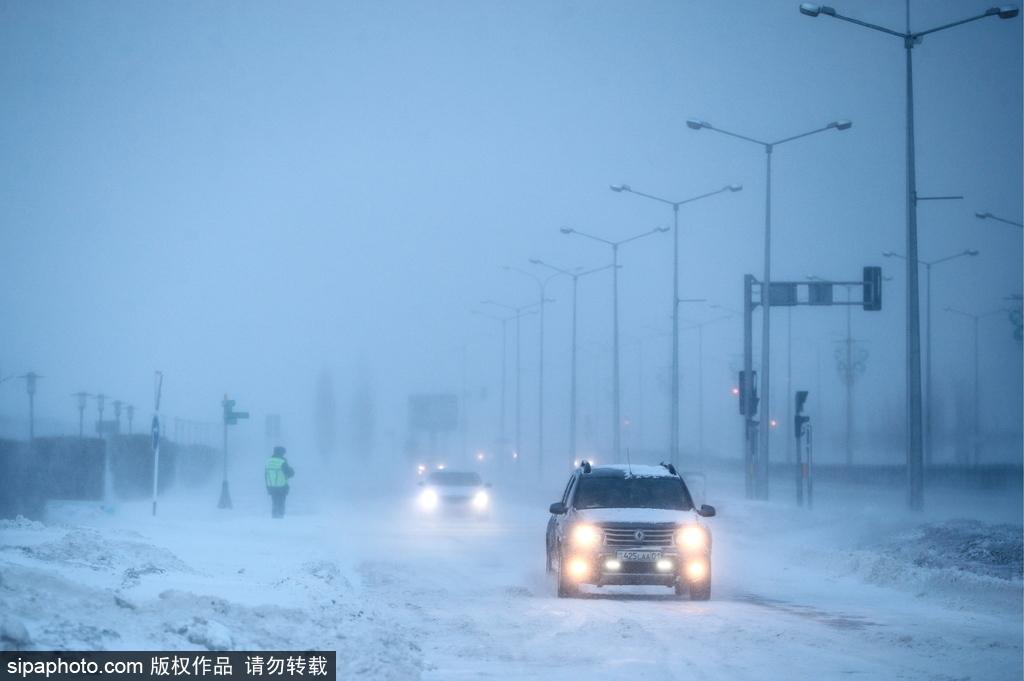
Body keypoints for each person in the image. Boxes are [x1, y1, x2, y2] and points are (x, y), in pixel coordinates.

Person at [265, 446, 295, 518]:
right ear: (281, 453)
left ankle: (274, 516)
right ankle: (280, 518)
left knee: (274, 501)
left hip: (271, 486)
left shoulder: (268, 461)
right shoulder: (282, 462)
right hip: (282, 486)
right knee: (281, 502)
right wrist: (291, 470)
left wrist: (267, 486)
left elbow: (265, 475)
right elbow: (290, 473)